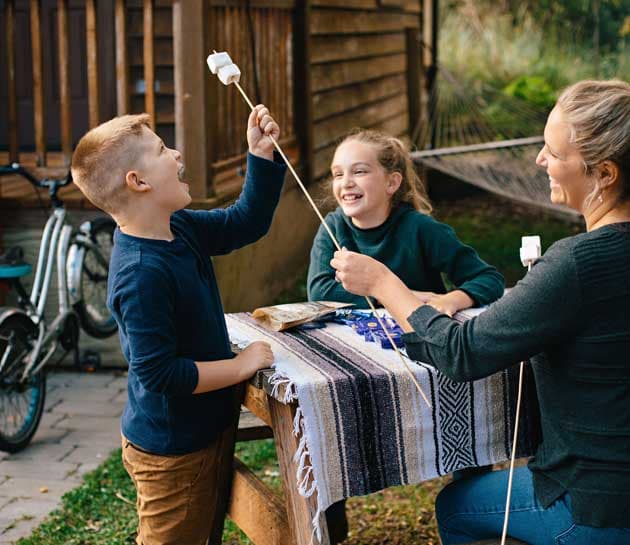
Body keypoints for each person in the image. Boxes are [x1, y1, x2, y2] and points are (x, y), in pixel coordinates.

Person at [330, 80, 630, 544]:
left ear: (605, 173)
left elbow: (462, 352)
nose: (540, 160)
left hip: (596, 507)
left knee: (456, 505)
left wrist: (384, 284)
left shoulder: (576, 265)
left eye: (553, 151)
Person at [70, 105, 286, 545]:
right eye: (162, 149)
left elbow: (244, 222)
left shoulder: (178, 227)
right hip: (172, 452)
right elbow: (160, 374)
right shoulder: (141, 274)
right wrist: (240, 366)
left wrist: (260, 156)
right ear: (139, 181)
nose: (179, 154)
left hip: (203, 431)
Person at [307, 129, 504, 317]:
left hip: (420, 336)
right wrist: (401, 296)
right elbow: (319, 292)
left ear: (391, 183)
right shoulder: (332, 227)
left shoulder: (420, 228)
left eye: (359, 171)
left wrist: (452, 300)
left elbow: (489, 279)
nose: (346, 182)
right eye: (338, 174)